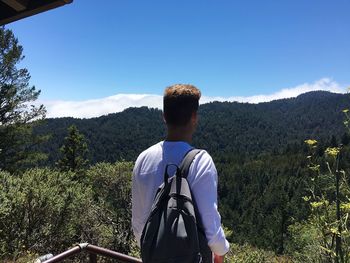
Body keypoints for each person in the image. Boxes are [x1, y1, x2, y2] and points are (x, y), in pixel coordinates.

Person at [132, 84, 229, 263]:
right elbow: (211, 227)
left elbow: (138, 224)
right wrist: (220, 252)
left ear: (164, 117)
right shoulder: (201, 161)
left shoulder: (143, 159)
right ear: (194, 118)